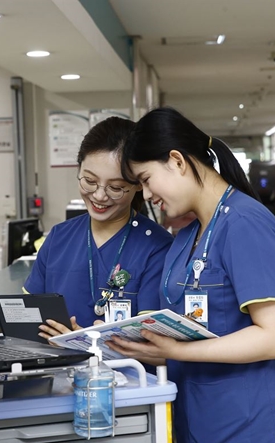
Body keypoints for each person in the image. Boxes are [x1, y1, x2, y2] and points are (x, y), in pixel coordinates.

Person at [110, 107, 275, 443]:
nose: (146, 196)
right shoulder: (186, 237)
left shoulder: (245, 224)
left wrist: (177, 351)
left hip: (258, 432)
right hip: (207, 428)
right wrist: (152, 349)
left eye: (146, 180)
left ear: (176, 161)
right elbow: (201, 329)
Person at [24, 116, 173, 340]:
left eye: (116, 187)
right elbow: (27, 319)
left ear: (138, 186)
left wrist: (80, 342)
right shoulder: (59, 237)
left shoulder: (156, 246)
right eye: (89, 181)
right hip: (58, 370)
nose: (100, 195)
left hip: (128, 373)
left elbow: (150, 340)